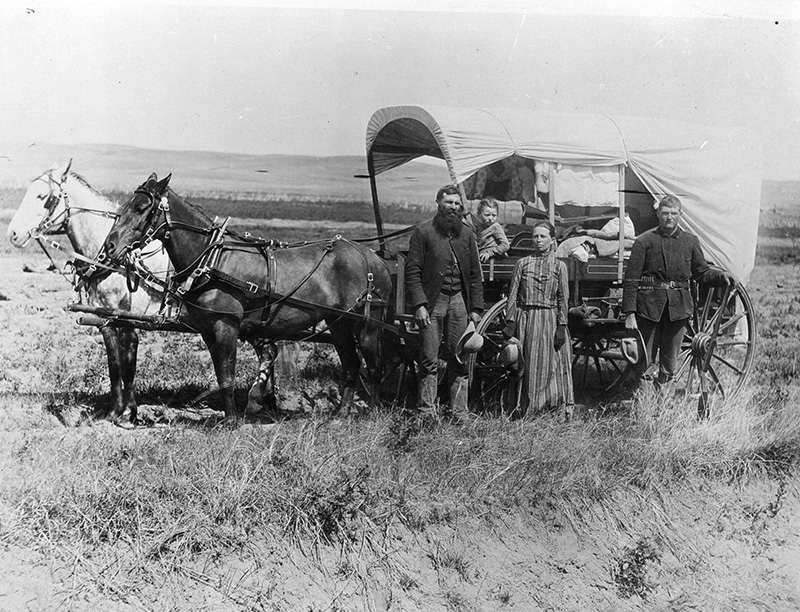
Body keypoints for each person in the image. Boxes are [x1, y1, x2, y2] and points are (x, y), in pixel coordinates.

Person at [622, 195, 736, 388]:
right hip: (648, 310)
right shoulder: (644, 241)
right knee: (643, 363)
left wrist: (721, 276)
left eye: (674, 213)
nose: (669, 217)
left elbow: (701, 273)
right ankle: (645, 411)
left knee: (669, 365)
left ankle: (664, 409)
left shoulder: (690, 241)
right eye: (665, 213)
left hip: (678, 311)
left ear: (680, 215)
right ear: (658, 214)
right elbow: (631, 279)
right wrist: (630, 313)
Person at [405, 184, 484, 423]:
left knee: (460, 359)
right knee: (429, 360)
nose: (453, 207)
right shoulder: (423, 232)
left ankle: (459, 413)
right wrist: (419, 304)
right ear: (438, 203)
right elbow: (413, 271)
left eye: (457, 204)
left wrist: (476, 309)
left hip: (459, 302)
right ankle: (426, 413)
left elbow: (474, 274)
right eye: (448, 202)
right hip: (432, 303)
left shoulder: (467, 234)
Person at [502, 220, 574, 418]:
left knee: (552, 365)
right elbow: (513, 294)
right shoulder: (522, 264)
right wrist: (511, 321)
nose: (538, 240)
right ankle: (526, 409)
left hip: (550, 319)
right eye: (535, 236)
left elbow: (563, 298)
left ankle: (552, 409)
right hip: (528, 319)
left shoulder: (560, 267)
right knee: (529, 365)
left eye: (543, 236)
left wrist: (562, 325)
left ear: (552, 240)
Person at [472, 198, 510, 262]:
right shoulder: (481, 227)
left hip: (494, 259)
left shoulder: (495, 227)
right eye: (487, 215)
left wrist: (489, 253)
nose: (490, 218)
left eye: (494, 215)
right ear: (479, 214)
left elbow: (505, 245)